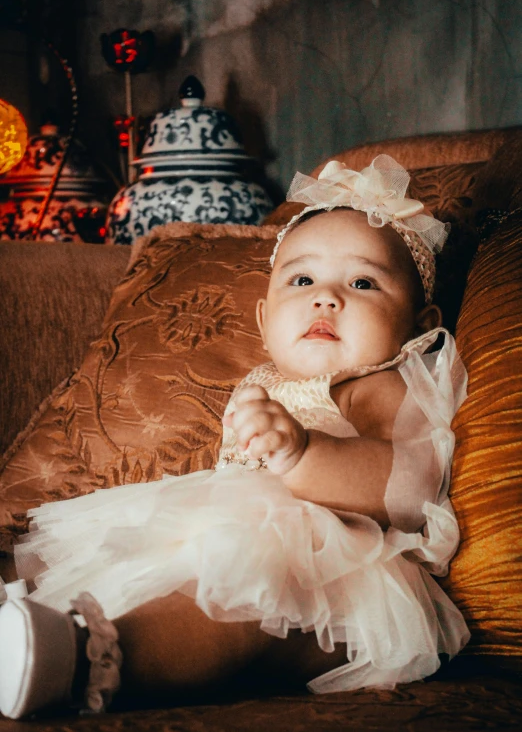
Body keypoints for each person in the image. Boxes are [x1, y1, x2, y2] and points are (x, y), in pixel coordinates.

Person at [0, 155, 470, 719]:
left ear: (421, 325)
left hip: (339, 576)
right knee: (104, 558)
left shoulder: (382, 384)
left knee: (238, 619)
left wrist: (303, 453)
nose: (326, 297)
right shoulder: (264, 386)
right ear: (264, 316)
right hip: (237, 541)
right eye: (302, 279)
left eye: (362, 282)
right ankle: (32, 613)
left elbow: (409, 487)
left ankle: (82, 656)